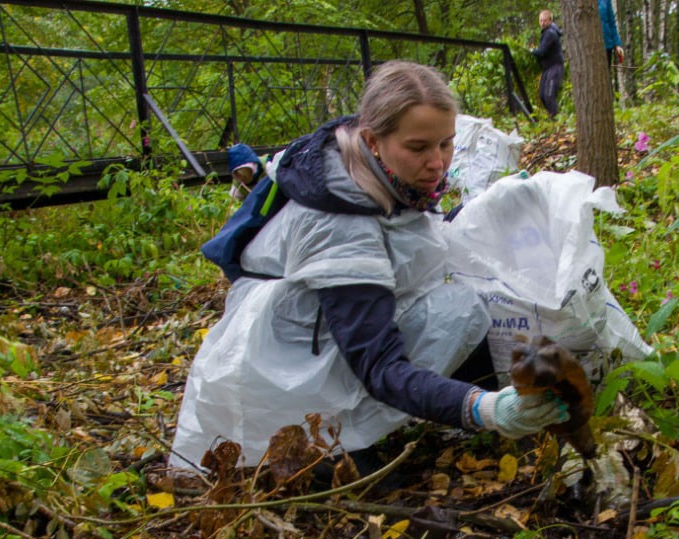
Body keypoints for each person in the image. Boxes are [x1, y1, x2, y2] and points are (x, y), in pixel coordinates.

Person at [171, 61, 568, 472]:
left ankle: (402, 417)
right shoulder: (339, 223)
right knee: (456, 312)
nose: (438, 162)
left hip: (327, 329)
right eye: (419, 148)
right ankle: (334, 437)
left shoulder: (372, 170)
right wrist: (482, 408)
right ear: (373, 140)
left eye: (446, 144)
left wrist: (492, 208)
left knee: (461, 304)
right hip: (283, 371)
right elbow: (377, 363)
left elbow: (411, 239)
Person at [530, 10, 565, 118]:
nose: (542, 23)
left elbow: (542, 51)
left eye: (545, 20)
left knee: (549, 95)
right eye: (540, 20)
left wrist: (532, 51)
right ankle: (552, 115)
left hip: (555, 67)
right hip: (547, 68)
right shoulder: (546, 32)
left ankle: (554, 117)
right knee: (542, 95)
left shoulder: (550, 33)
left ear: (550, 20)